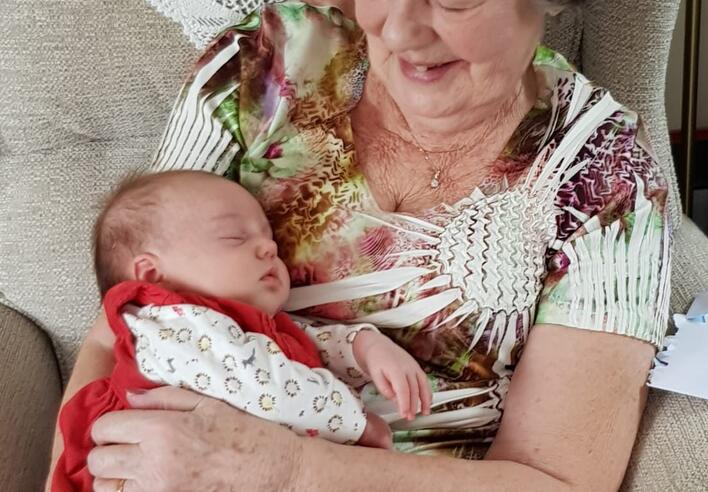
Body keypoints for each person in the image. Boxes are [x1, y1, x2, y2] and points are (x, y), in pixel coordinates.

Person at [48, 1, 672, 490]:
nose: (398, 30)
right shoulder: (266, 61)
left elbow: (560, 479)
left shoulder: (608, 181)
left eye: (452, 1)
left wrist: (290, 474)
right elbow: (124, 318)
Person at [51, 170, 430, 490]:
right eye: (235, 237)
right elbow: (263, 385)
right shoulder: (169, 325)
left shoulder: (246, 328)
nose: (267, 246)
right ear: (152, 274)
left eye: (269, 237)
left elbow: (304, 347)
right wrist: (360, 425)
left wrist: (365, 347)